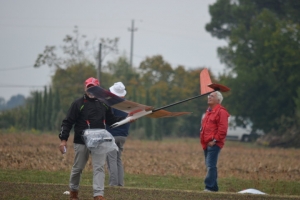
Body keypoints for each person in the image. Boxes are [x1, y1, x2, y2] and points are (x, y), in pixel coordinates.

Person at [58, 77, 125, 200]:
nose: (91, 90)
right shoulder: (78, 103)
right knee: (78, 168)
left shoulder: (104, 103)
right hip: (81, 141)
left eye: (94, 88)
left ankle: (98, 194)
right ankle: (73, 191)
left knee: (99, 167)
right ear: (85, 88)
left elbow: (112, 120)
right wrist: (63, 140)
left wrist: (128, 119)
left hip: (99, 142)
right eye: (89, 87)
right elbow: (67, 122)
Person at [200, 91, 229, 192]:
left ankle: (210, 187)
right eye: (209, 96)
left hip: (214, 143)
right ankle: (214, 187)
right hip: (206, 143)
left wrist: (215, 140)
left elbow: (223, 129)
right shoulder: (208, 111)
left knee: (210, 165)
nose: (209, 97)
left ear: (218, 100)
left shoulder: (221, 112)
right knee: (210, 165)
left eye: (212, 96)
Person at [106, 82, 130, 186]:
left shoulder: (111, 104)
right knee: (118, 159)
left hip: (111, 134)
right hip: (123, 135)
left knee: (111, 159)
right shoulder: (128, 105)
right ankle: (120, 184)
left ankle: (113, 184)